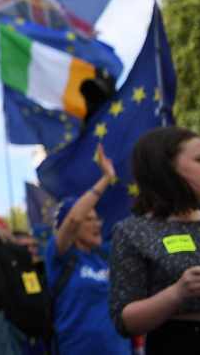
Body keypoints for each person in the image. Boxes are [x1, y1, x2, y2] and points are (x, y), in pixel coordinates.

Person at [110, 126, 200, 353]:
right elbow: (124, 319)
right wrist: (176, 294)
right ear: (167, 169)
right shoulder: (133, 231)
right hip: (177, 343)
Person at [43, 146, 126, 355]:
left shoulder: (105, 256)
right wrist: (106, 178)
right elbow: (73, 218)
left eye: (97, 218)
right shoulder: (59, 256)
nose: (97, 224)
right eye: (88, 219)